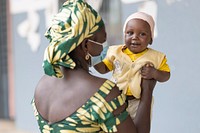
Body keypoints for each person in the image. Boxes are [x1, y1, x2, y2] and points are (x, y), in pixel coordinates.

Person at [32, 1, 156, 133]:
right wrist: (147, 90)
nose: (106, 48)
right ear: (86, 46)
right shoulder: (103, 93)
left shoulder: (41, 85)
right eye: (102, 42)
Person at [94, 12, 170, 120]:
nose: (135, 37)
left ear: (151, 39)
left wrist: (155, 73)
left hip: (138, 103)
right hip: (115, 99)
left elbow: (166, 75)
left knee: (135, 127)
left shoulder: (156, 57)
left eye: (142, 34)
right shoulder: (115, 52)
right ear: (124, 35)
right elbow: (103, 69)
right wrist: (94, 59)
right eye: (130, 33)